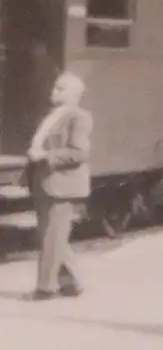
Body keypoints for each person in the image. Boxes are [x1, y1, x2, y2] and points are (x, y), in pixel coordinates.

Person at [21, 72, 93, 301]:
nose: (54, 90)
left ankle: (45, 289)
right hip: (44, 182)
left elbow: (80, 152)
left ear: (74, 95)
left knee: (51, 237)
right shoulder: (52, 115)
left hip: (62, 184)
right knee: (52, 236)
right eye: (55, 86)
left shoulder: (78, 117)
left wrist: (47, 156)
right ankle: (73, 282)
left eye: (61, 88)